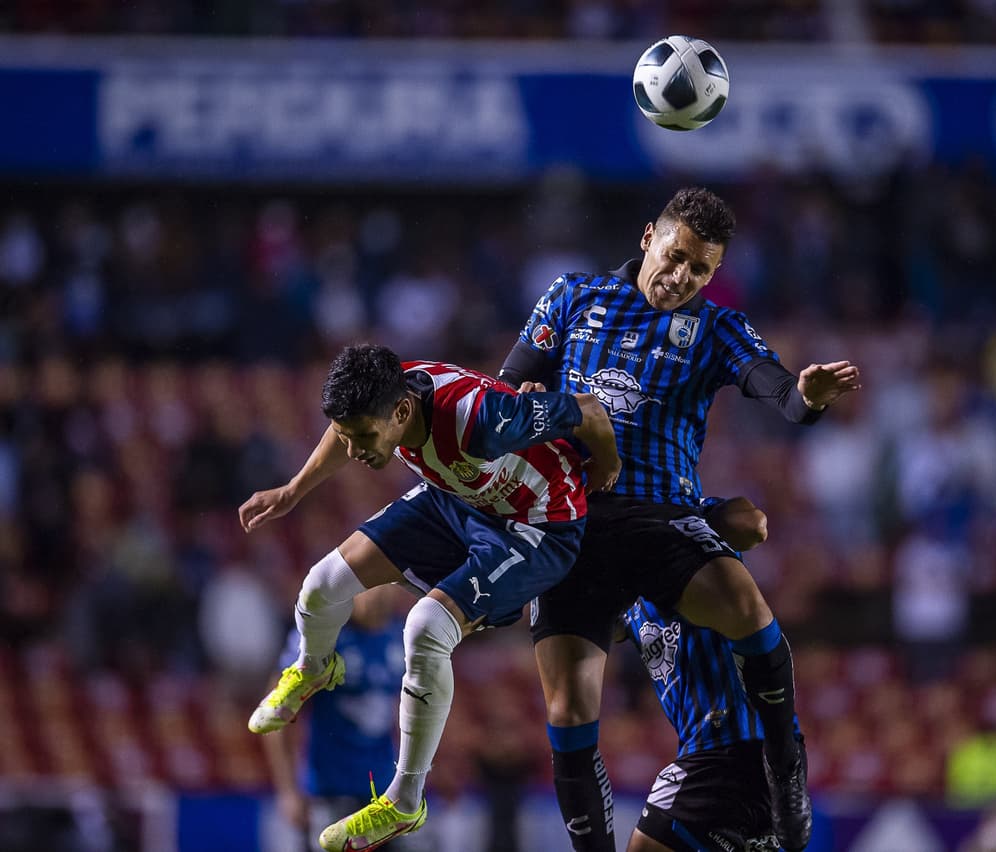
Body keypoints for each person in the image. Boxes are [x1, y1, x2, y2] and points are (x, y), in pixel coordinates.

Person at [498, 187, 860, 851]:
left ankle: (786, 769)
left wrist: (806, 398)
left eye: (701, 270)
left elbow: (778, 389)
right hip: (572, 525)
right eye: (677, 257)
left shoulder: (716, 328)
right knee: (567, 711)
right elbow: (508, 388)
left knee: (746, 611)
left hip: (662, 516)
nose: (683, 277)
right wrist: (526, 407)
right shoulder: (572, 296)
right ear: (647, 239)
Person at [240, 343, 620, 852]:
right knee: (322, 583)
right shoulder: (388, 398)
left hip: (535, 525)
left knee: (424, 628)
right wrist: (292, 491)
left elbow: (590, 411)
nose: (355, 451)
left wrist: (607, 467)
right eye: (349, 436)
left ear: (400, 414)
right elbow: (342, 429)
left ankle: (404, 799)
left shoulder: (480, 420)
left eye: (365, 438)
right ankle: (314, 667)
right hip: (460, 499)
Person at [620, 497, 790, 852]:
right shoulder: (620, 590)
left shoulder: (683, 529)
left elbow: (752, 523)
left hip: (730, 740)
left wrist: (702, 514)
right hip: (715, 750)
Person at [261, 584, 429, 851]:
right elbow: (277, 711)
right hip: (329, 792)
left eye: (387, 586)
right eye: (370, 587)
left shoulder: (403, 636)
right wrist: (288, 789)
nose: (377, 596)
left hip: (384, 797)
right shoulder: (323, 638)